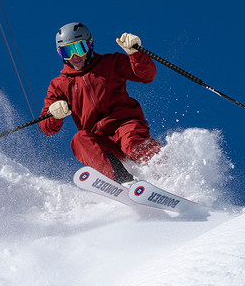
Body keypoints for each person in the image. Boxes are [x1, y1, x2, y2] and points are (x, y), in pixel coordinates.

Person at [39, 22, 162, 184]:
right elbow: (46, 128)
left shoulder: (111, 63)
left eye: (78, 48)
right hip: (99, 139)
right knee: (79, 140)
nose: (74, 56)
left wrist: (136, 54)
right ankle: (120, 181)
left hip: (125, 124)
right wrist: (54, 115)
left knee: (130, 143)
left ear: (89, 45)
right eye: (67, 52)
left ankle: (164, 170)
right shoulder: (59, 85)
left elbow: (146, 75)